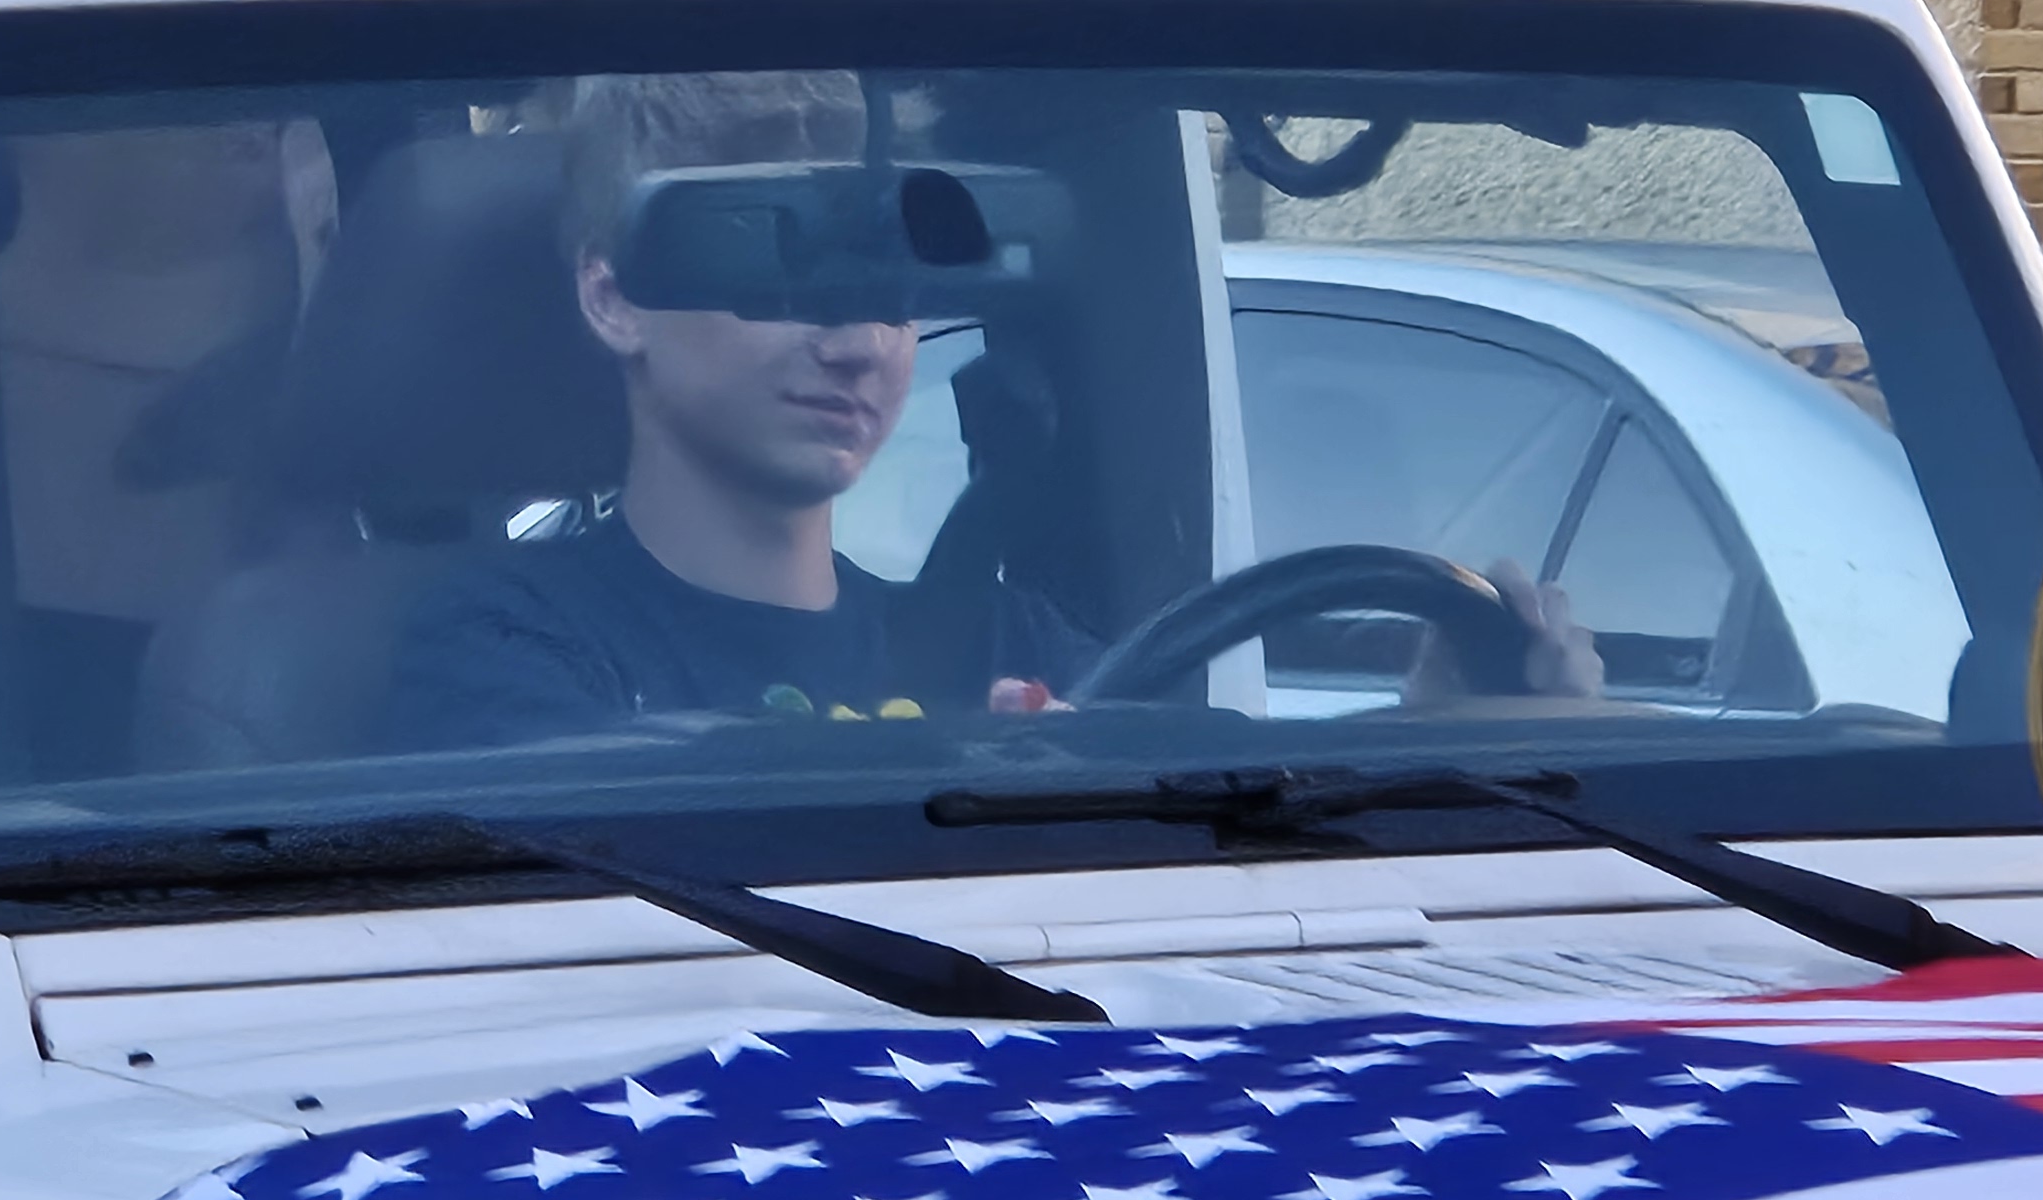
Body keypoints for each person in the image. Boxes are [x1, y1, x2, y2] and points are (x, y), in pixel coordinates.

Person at [390, 75, 1596, 745]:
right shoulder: (498, 651)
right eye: (777, 271)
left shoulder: (1022, 647)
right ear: (612, 294)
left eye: (891, 286)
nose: (857, 340)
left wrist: (1432, 738)